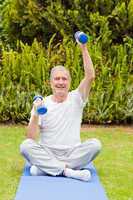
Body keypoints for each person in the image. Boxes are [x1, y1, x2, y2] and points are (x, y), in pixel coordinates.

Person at [20, 42, 102, 182]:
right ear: (50, 83)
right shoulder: (42, 104)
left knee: (95, 145)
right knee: (25, 146)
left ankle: (47, 169)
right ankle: (68, 171)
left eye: (64, 79)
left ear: (69, 82)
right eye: (57, 79)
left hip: (72, 153)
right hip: (48, 152)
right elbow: (31, 138)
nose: (61, 82)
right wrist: (35, 113)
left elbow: (90, 76)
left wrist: (83, 47)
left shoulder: (77, 97)